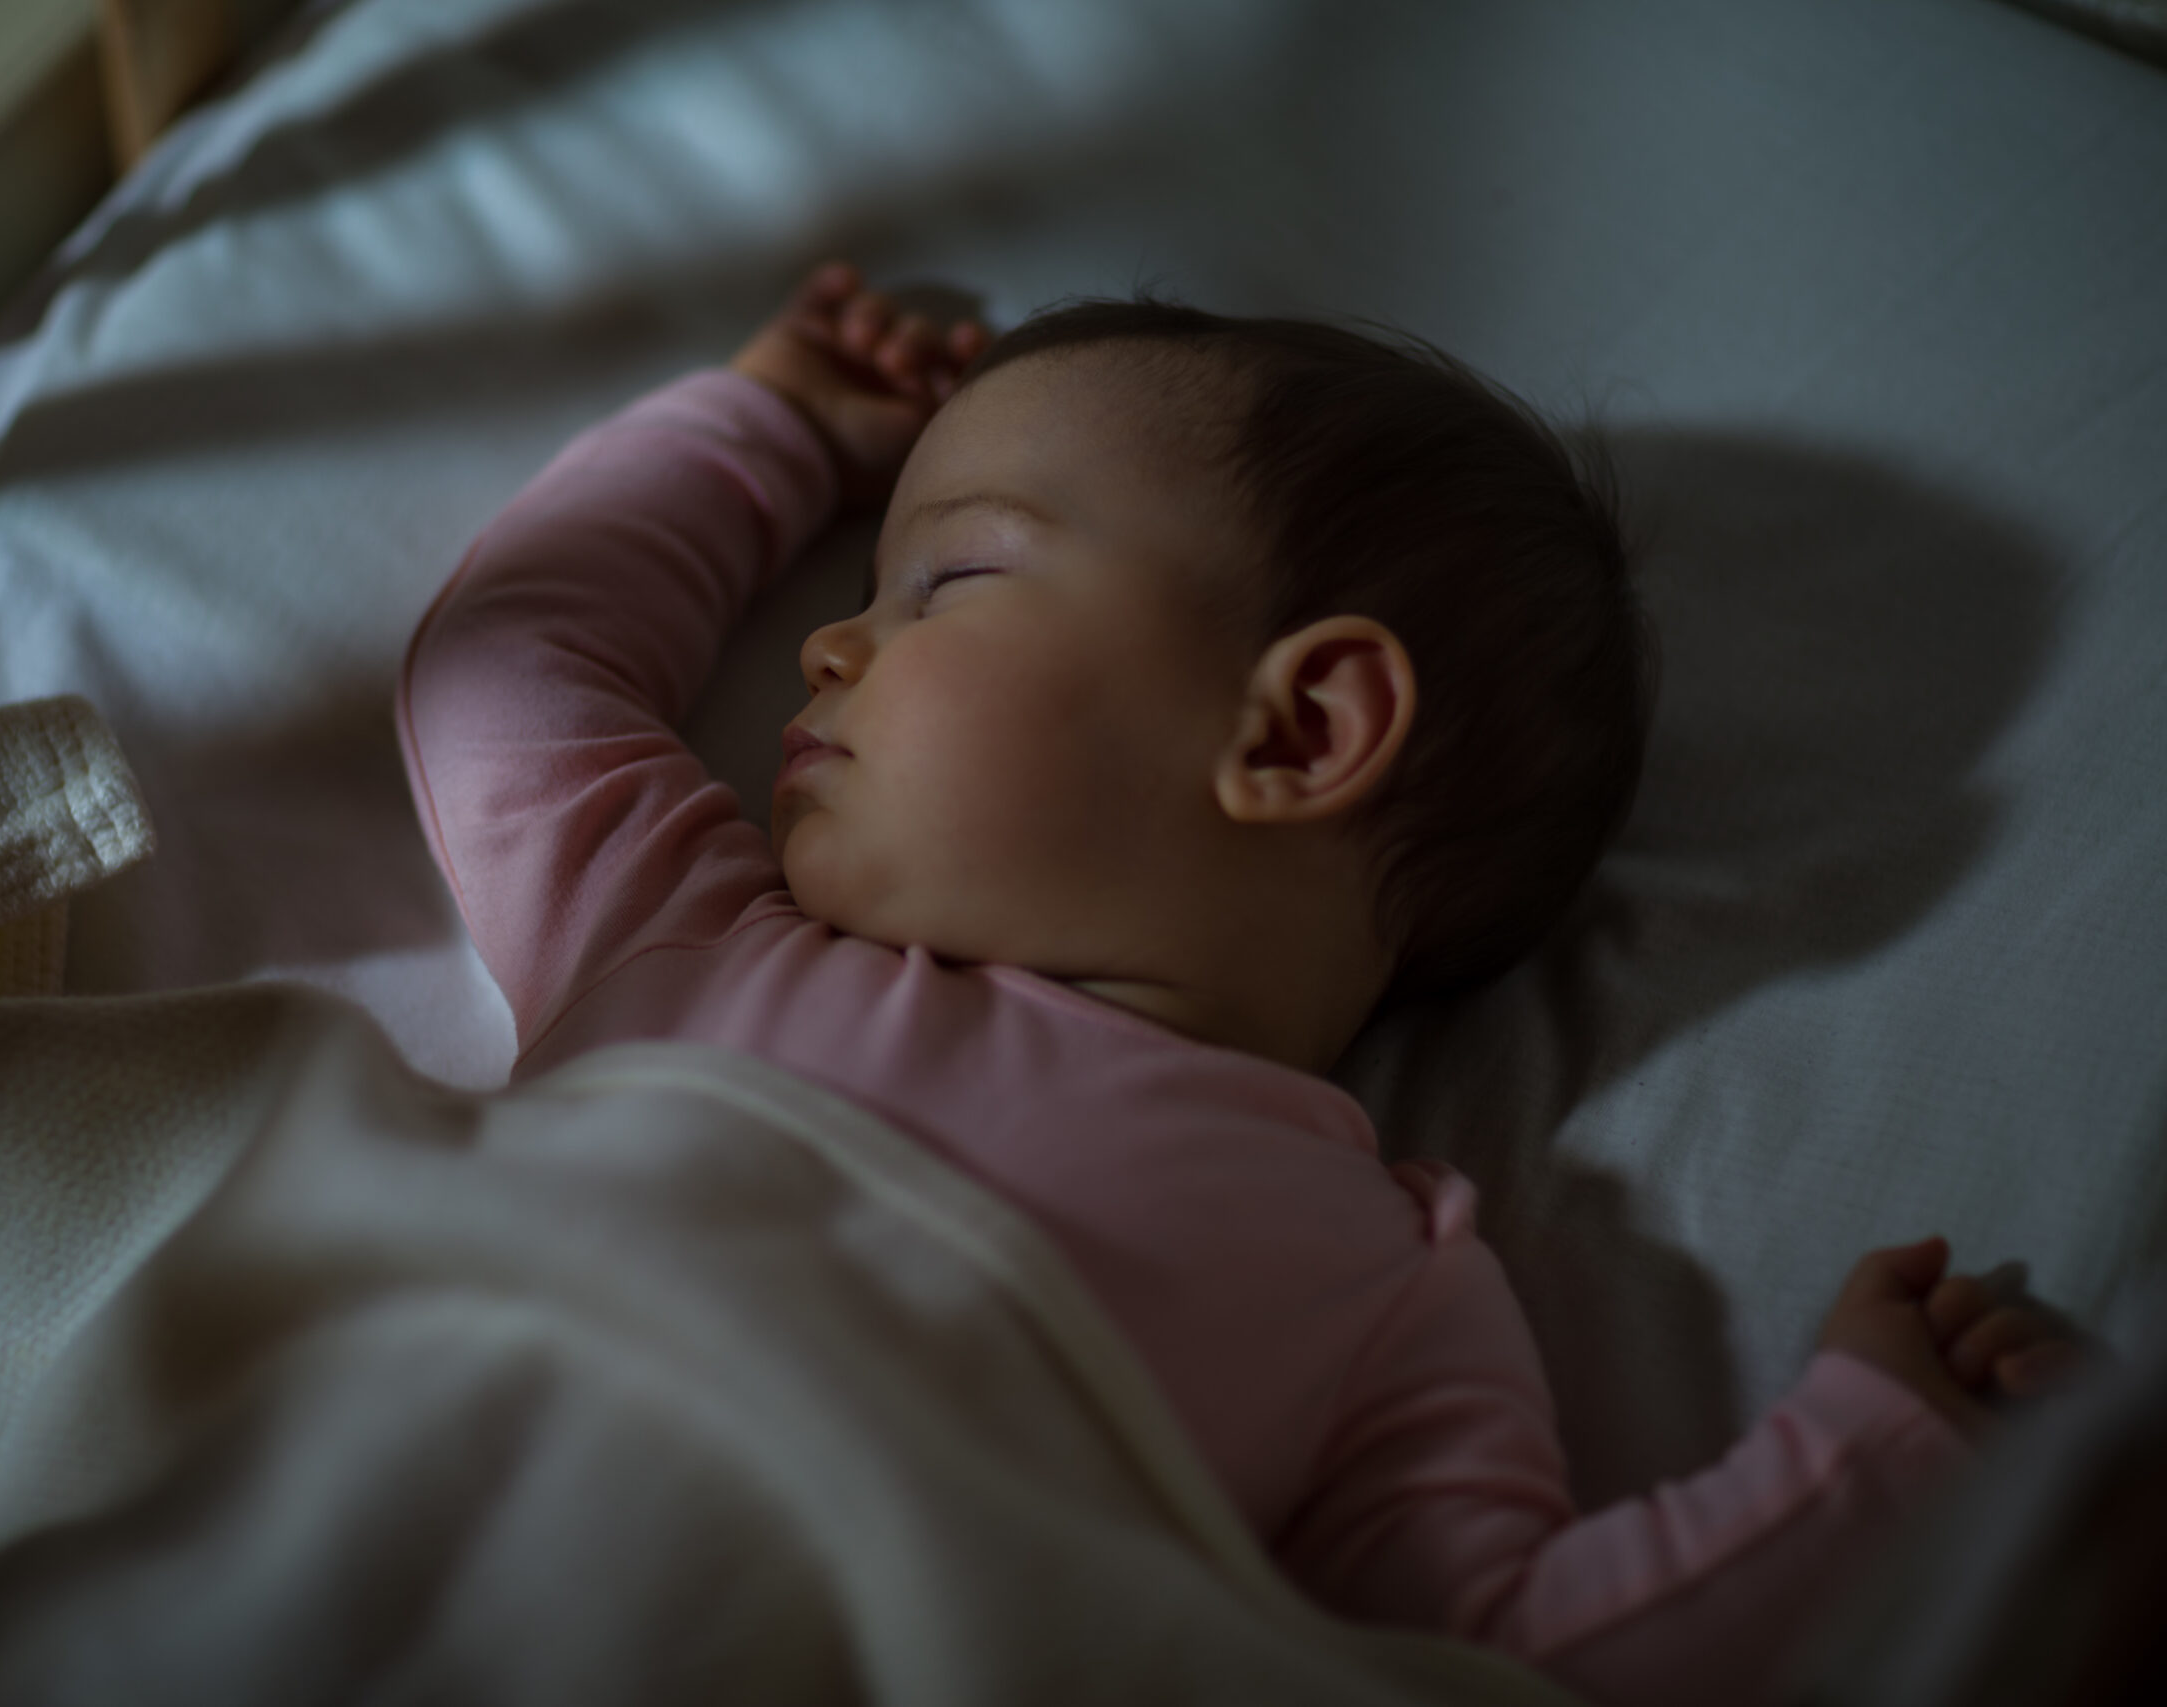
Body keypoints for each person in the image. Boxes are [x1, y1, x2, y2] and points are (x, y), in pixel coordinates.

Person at [396, 262, 2081, 1705]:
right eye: (859, 596)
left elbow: (1507, 1660)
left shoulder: (1380, 1284)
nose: (836, 647)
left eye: (949, 582)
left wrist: (1876, 1454)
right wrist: (754, 436)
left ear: (1296, 730)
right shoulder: (691, 928)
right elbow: (507, 672)